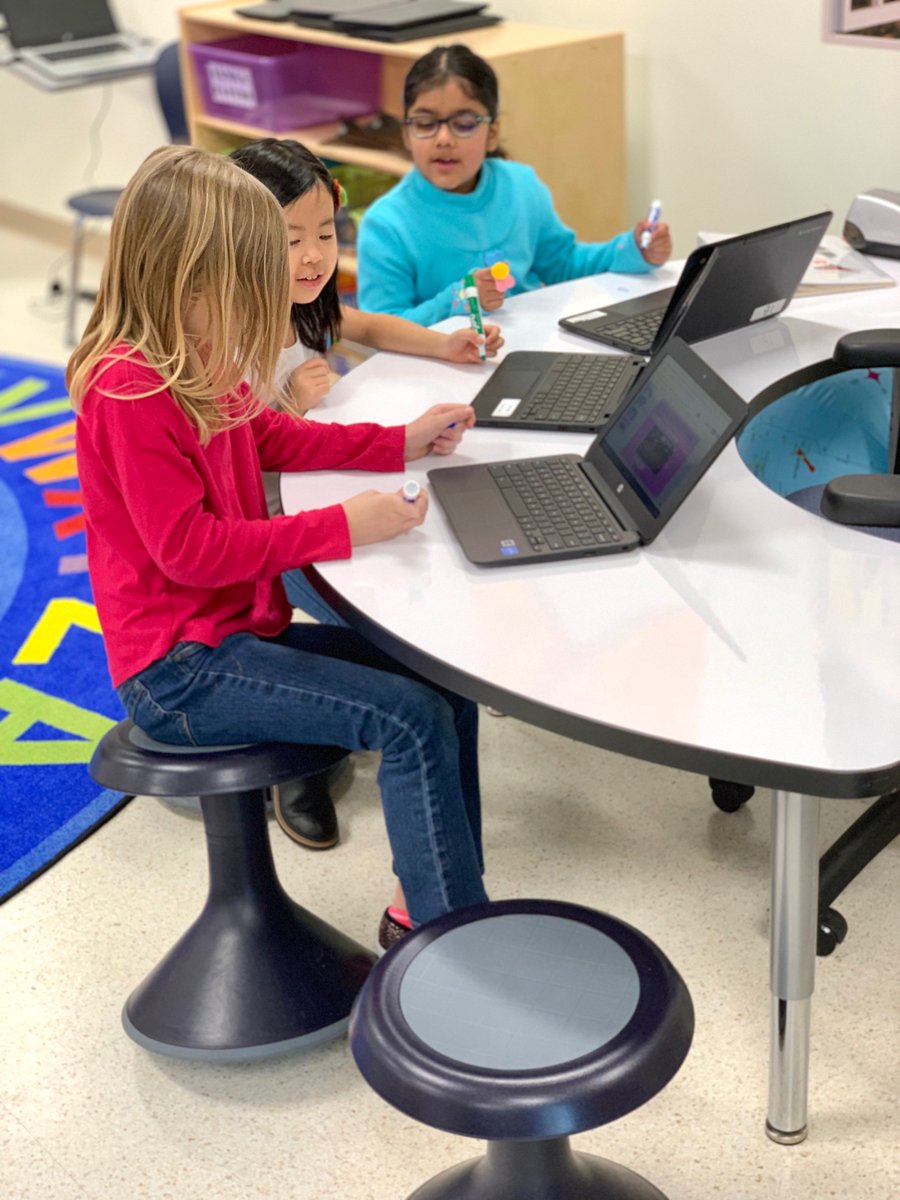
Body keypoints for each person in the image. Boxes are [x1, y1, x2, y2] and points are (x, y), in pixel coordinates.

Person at [69, 145, 489, 951]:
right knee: (405, 719)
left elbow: (273, 436)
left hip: (232, 636)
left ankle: (430, 901)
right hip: (179, 673)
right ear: (190, 276)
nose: (278, 285)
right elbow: (189, 552)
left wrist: (401, 440)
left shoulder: (203, 357)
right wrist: (345, 526)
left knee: (442, 682)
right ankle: (450, 942)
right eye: (255, 267)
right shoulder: (131, 388)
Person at [228, 138, 502, 847]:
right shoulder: (222, 339)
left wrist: (445, 346)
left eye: (325, 234)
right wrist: (284, 403)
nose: (315, 255)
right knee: (374, 597)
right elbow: (237, 467)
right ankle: (296, 761)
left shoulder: (301, 302)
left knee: (418, 546)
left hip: (316, 490)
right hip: (265, 528)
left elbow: (368, 325)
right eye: (292, 239)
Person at [356, 44, 673, 326]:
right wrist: (458, 301)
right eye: (425, 124)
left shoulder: (521, 186)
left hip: (528, 348)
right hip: (440, 370)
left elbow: (562, 264)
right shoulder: (386, 225)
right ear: (406, 134)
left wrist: (632, 249)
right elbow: (383, 331)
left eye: (464, 124)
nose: (443, 139)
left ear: (492, 133)